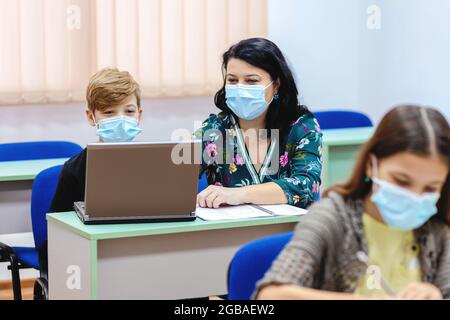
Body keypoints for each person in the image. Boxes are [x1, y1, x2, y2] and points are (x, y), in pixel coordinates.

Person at [255, 105, 450, 300]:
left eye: (431, 188)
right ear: (370, 166)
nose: (414, 196)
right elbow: (269, 296)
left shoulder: (438, 231)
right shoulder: (332, 217)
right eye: (401, 181)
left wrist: (436, 294)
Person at [196, 38, 322, 209]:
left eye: (251, 81)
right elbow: (174, 176)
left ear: (276, 85)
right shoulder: (216, 128)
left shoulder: (301, 126)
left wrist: (239, 194)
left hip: (289, 232)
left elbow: (305, 186)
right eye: (232, 80)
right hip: (229, 232)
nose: (240, 88)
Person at [50, 68, 143, 212]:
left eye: (129, 111)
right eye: (108, 113)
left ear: (139, 115)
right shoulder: (74, 170)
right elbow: (58, 225)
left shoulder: (155, 165)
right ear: (90, 117)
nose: (120, 120)